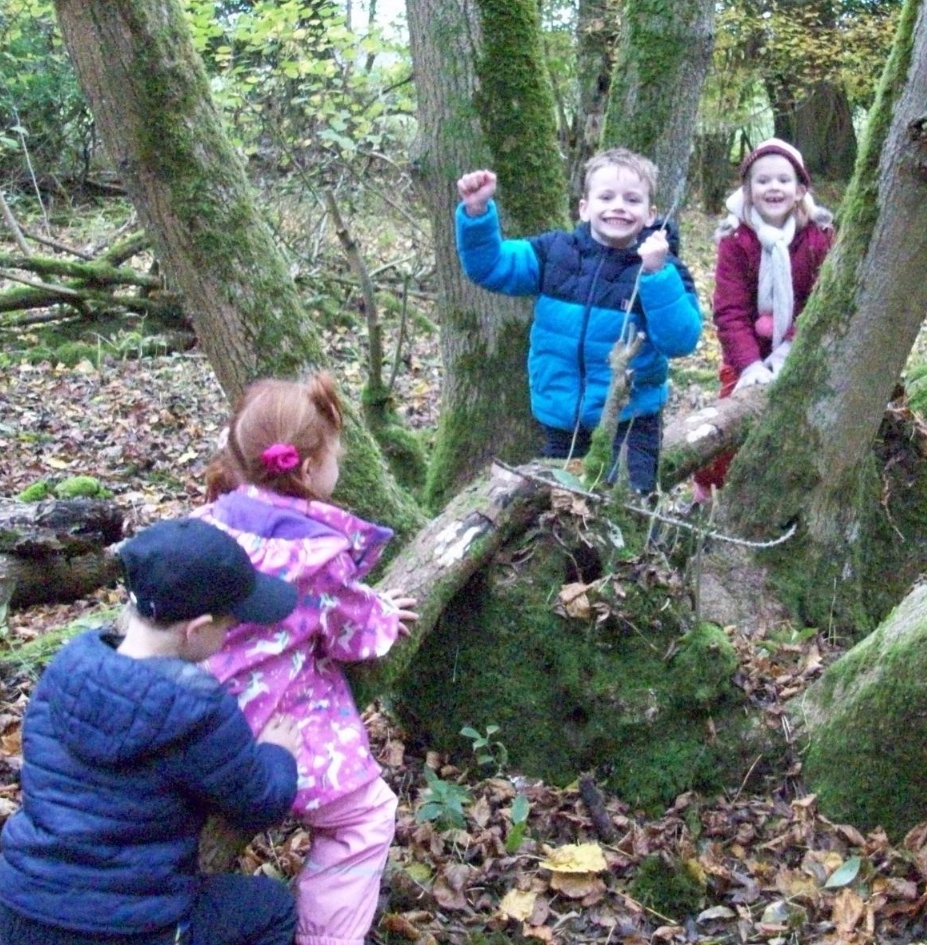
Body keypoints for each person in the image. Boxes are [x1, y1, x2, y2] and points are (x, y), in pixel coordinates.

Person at [0, 517, 302, 945]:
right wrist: (278, 754)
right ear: (196, 629)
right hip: (125, 928)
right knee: (272, 909)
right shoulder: (197, 707)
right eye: (229, 625)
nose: (231, 633)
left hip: (19, 907)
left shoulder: (68, 666)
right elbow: (258, 802)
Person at [195, 371, 418, 945]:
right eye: (337, 451)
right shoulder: (317, 553)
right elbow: (354, 633)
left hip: (194, 721)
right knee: (363, 817)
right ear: (311, 468)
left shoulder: (206, 526)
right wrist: (385, 611)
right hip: (274, 728)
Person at [456, 148, 703, 493]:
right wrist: (477, 212)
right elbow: (491, 266)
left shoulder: (663, 269)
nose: (618, 206)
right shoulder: (554, 253)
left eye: (632, 199)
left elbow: (680, 340)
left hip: (629, 420)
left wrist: (656, 274)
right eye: (606, 196)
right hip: (560, 418)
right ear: (585, 207)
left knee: (626, 505)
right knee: (561, 509)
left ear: (650, 214)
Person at [692, 137, 834, 502]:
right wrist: (751, 365)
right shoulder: (735, 238)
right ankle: (709, 493)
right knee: (729, 429)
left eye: (784, 180)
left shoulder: (818, 237)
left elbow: (821, 302)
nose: (774, 188)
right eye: (763, 180)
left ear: (801, 188)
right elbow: (730, 310)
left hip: (800, 349)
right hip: (746, 356)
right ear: (748, 190)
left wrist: (789, 349)